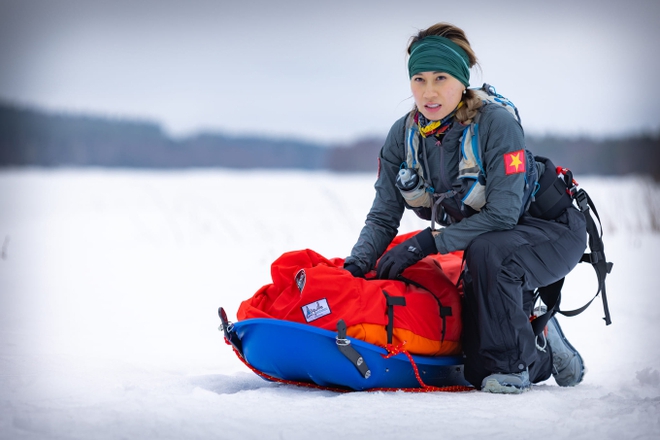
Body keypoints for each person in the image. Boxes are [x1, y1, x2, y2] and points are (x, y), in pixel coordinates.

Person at [343, 22, 587, 393]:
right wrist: (356, 266)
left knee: (489, 254)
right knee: (475, 357)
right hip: (493, 245)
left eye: (441, 78)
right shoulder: (402, 135)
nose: (429, 92)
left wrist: (428, 242)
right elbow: (383, 215)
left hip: (551, 230)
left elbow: (504, 215)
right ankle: (538, 337)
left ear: (461, 80)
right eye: (419, 79)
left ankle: (511, 366)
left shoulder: (496, 125)